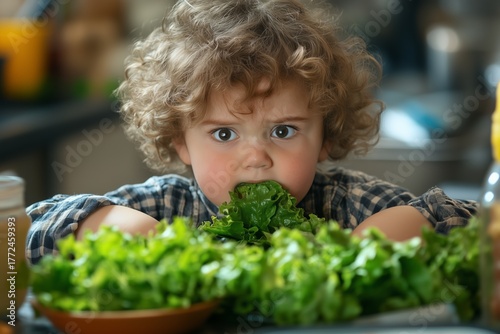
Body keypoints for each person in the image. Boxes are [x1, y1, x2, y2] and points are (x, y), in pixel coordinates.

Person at [26, 0, 478, 265]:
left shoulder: (345, 205)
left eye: (283, 130)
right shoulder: (169, 207)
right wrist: (109, 226)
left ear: (324, 135)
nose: (256, 157)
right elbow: (26, 229)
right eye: (224, 135)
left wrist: (411, 226)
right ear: (180, 140)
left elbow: (476, 221)